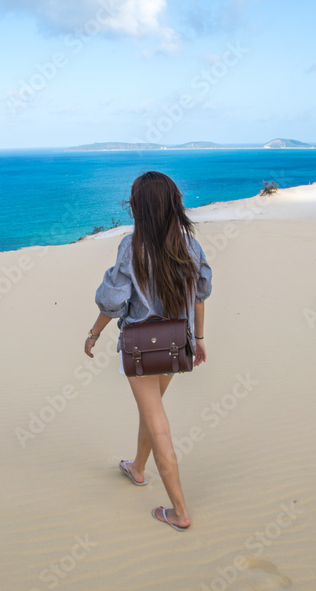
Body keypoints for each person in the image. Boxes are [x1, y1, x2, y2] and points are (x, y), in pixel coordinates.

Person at [84, 171, 212, 531]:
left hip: (142, 350)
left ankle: (180, 512)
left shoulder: (131, 246)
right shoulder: (190, 244)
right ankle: (137, 468)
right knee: (151, 409)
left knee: (158, 424)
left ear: (139, 207)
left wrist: (93, 334)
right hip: (175, 344)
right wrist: (199, 339)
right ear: (174, 204)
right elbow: (201, 294)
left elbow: (112, 301)